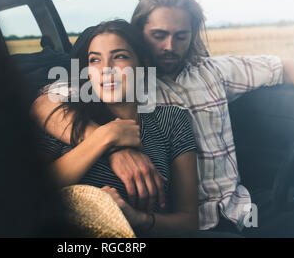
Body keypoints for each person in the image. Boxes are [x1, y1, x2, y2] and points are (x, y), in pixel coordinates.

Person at [32, 0, 294, 237]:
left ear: (192, 35)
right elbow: (45, 102)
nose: (169, 46)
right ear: (139, 33)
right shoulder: (120, 84)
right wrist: (111, 145)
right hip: (177, 221)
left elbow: (285, 68)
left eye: (181, 36)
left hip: (238, 208)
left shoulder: (214, 72)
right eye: (159, 35)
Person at [38, 20, 199, 237]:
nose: (106, 69)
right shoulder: (68, 117)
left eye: (120, 56)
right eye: (95, 60)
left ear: (142, 64)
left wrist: (138, 219)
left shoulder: (171, 120)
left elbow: (188, 222)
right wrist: (106, 137)